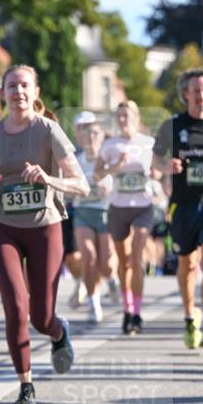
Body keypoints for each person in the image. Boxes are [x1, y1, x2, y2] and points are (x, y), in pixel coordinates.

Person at [0, 64, 89, 404]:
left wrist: (48, 179)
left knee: (41, 317)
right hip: (4, 226)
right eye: (12, 85)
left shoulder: (49, 131)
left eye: (25, 85)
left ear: (35, 92)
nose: (19, 92)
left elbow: (82, 185)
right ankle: (26, 385)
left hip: (45, 226)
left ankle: (58, 333)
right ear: (2, 91)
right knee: (15, 306)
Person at [152, 68, 203, 348]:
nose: (200, 95)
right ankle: (190, 317)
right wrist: (167, 166)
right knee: (187, 264)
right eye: (195, 90)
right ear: (185, 94)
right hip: (183, 203)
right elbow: (155, 160)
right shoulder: (173, 124)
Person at [93, 100, 155, 335]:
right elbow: (98, 173)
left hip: (143, 207)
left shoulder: (148, 144)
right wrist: (113, 167)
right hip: (118, 207)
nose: (122, 120)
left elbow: (159, 168)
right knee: (123, 261)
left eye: (126, 116)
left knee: (136, 260)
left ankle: (137, 314)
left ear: (136, 118)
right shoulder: (110, 145)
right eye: (119, 116)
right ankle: (127, 310)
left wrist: (157, 171)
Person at [72, 112, 120, 324]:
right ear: (80, 137)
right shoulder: (75, 161)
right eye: (86, 133)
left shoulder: (109, 158)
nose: (90, 137)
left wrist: (109, 186)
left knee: (107, 262)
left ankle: (112, 279)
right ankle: (94, 302)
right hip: (83, 212)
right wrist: (76, 190)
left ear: (101, 136)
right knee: (89, 258)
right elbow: (67, 185)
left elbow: (120, 181)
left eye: (94, 133)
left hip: (106, 212)